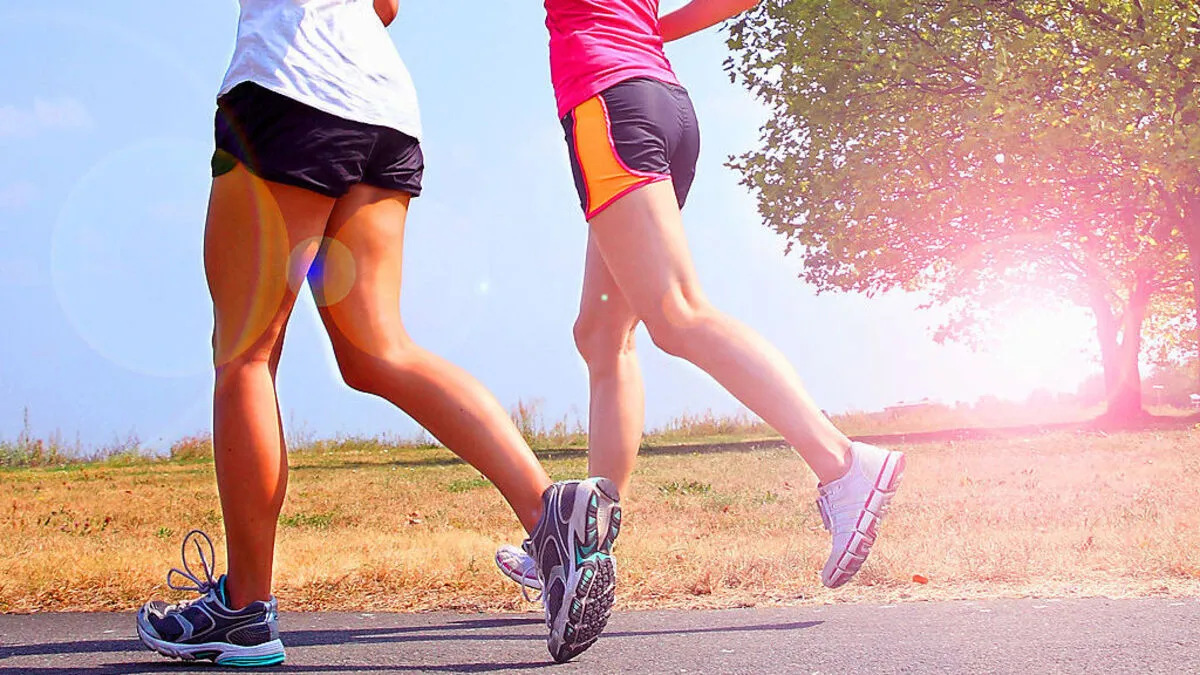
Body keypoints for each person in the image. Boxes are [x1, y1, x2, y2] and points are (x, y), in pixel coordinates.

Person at [134, 0, 619, 665]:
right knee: (376, 348)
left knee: (244, 354)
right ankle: (549, 510)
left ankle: (243, 611)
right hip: (379, 104)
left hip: (288, 85)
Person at [495, 0, 905, 595]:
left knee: (677, 313)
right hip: (661, 99)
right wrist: (650, 28)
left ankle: (842, 464)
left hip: (607, 100)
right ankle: (581, 547)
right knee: (602, 335)